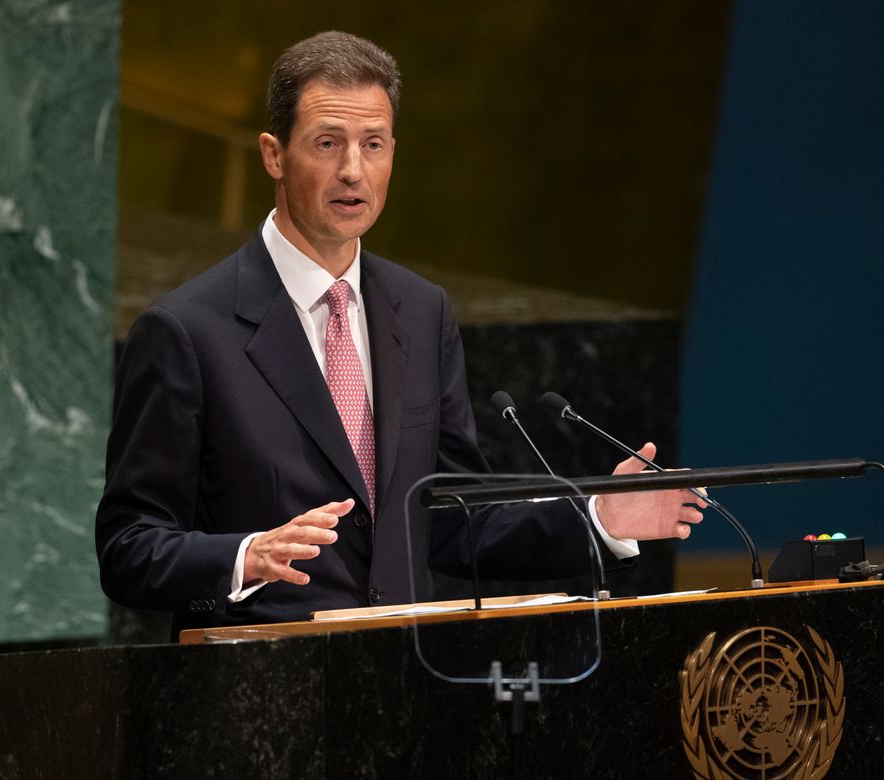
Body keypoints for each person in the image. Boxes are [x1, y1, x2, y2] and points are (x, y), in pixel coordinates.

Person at [95, 31, 704, 633]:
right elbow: (128, 548)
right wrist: (244, 556)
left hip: (403, 693)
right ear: (273, 155)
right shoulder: (185, 332)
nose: (353, 171)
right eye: (328, 143)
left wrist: (599, 516)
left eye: (374, 144)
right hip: (257, 699)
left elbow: (453, 519)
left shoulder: (420, 311)